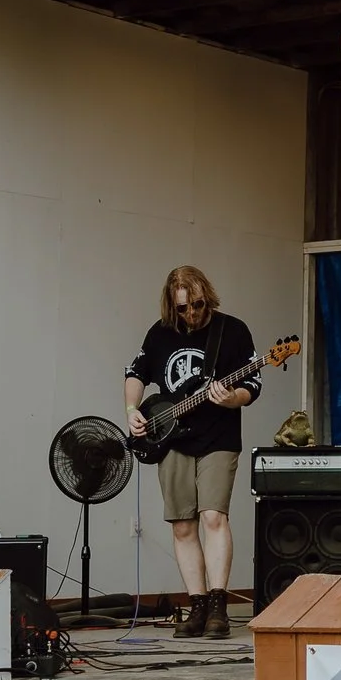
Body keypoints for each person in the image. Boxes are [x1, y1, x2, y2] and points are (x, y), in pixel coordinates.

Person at [126, 267, 257, 639]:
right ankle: (197, 606)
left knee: (213, 516)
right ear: (172, 305)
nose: (192, 315)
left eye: (197, 305)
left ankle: (218, 606)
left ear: (207, 297)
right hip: (171, 439)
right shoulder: (160, 332)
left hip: (219, 437)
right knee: (183, 525)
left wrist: (232, 397)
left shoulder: (232, 330)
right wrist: (132, 411)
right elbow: (135, 373)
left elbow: (253, 383)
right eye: (183, 309)